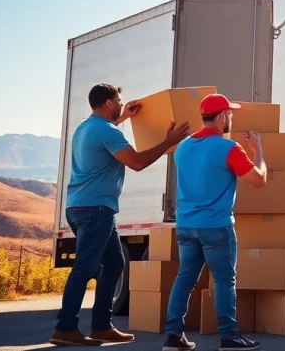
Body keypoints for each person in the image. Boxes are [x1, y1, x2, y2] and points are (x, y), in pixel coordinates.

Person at [52, 84, 190, 347]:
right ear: (108, 103)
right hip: (96, 210)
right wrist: (168, 142)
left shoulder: (85, 128)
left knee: (115, 263)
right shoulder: (107, 132)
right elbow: (137, 162)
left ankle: (102, 326)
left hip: (81, 207)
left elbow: (107, 137)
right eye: (118, 101)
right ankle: (65, 327)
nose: (121, 104)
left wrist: (124, 116)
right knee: (84, 268)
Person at [161, 93, 268, 351]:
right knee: (223, 280)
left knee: (185, 277)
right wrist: (259, 150)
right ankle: (229, 337)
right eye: (230, 113)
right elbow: (259, 180)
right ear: (221, 116)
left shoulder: (183, 147)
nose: (231, 116)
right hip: (216, 226)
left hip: (186, 226)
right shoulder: (228, 148)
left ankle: (173, 336)